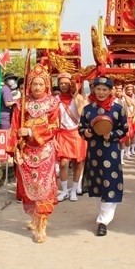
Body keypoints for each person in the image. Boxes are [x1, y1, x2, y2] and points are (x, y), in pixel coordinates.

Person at [6, 63, 61, 243]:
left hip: (45, 151)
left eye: (40, 84)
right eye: (34, 83)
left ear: (46, 85)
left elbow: (54, 127)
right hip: (27, 152)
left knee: (44, 188)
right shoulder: (21, 104)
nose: (37, 87)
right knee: (29, 187)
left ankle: (41, 226)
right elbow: (14, 128)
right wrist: (15, 149)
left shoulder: (53, 104)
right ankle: (34, 217)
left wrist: (30, 131)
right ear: (29, 84)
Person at [79, 77, 128, 237]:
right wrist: (85, 132)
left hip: (111, 151)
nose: (101, 92)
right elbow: (81, 127)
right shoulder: (87, 109)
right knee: (98, 183)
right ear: (94, 89)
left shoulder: (118, 109)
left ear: (110, 91)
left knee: (110, 182)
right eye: (98, 89)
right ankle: (101, 214)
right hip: (94, 151)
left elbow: (124, 129)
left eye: (104, 89)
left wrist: (111, 135)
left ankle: (103, 221)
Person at [55, 72, 86, 202]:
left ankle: (73, 190)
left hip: (76, 133)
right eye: (61, 83)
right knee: (63, 163)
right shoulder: (55, 99)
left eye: (66, 83)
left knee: (77, 163)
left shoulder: (78, 97)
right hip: (62, 133)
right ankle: (64, 191)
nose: (63, 85)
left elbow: (81, 115)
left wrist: (76, 98)